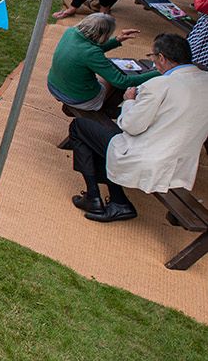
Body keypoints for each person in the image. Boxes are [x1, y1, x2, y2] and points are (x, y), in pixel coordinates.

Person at [66, 33, 208, 223]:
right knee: (103, 132)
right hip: (182, 165)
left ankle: (104, 198)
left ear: (162, 58)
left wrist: (129, 101)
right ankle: (108, 198)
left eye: (153, 57)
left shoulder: (159, 84)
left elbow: (131, 126)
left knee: (80, 127)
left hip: (149, 159)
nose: (154, 62)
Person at [45, 13, 158, 114]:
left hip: (53, 86)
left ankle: (102, 108)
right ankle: (108, 111)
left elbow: (87, 49)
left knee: (106, 75)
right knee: (116, 80)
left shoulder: (70, 32)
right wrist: (159, 72)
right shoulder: (92, 53)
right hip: (77, 98)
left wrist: (117, 40)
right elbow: (122, 82)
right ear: (103, 35)